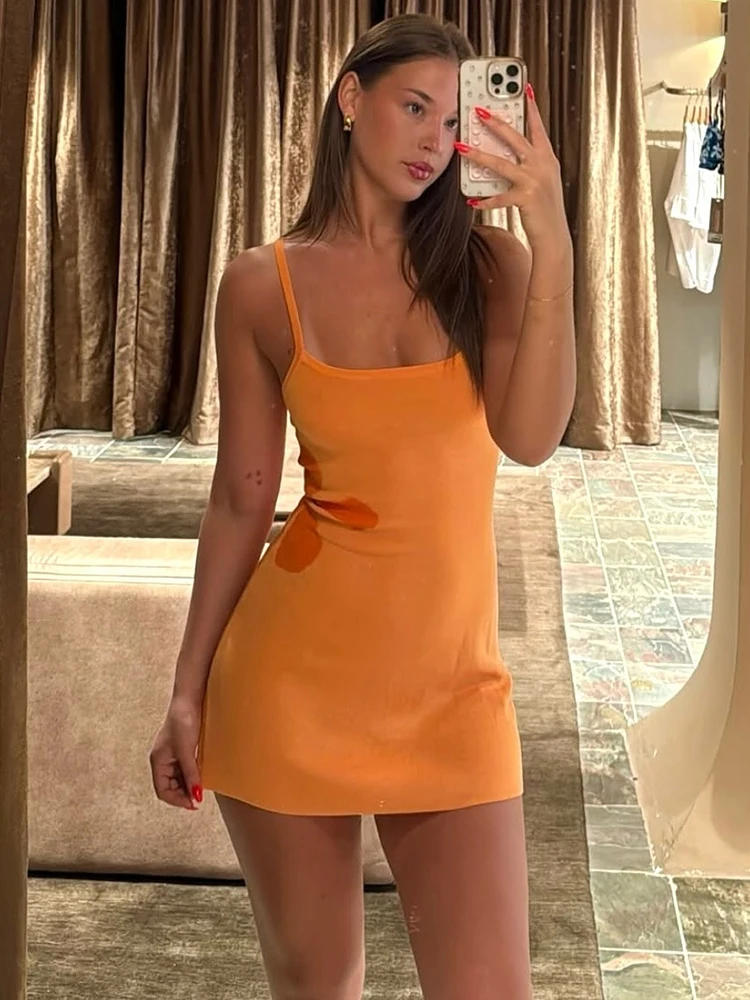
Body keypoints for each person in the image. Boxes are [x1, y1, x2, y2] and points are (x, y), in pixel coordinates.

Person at [149, 13, 575, 1000]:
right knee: (320, 988)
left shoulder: (492, 269)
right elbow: (240, 501)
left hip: (456, 691)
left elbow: (530, 438)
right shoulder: (260, 285)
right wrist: (187, 689)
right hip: (291, 686)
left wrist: (550, 233)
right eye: (414, 107)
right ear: (351, 98)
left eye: (453, 120)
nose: (434, 140)